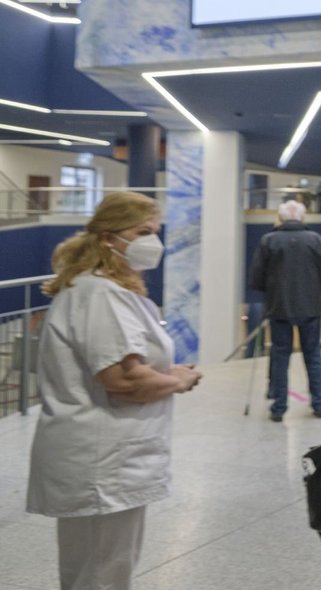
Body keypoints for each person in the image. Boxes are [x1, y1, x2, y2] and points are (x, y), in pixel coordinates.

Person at [26, 192, 203, 590]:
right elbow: (125, 381)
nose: (153, 242)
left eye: (155, 232)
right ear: (109, 238)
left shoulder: (100, 290)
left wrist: (165, 372)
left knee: (95, 568)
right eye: (142, 232)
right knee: (102, 573)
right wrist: (178, 380)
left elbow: (125, 365)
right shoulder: (100, 294)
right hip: (103, 458)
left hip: (106, 454)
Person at [249, 200, 321, 422]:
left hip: (279, 307)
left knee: (280, 355)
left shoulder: (269, 240)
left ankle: (279, 407)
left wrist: (271, 291)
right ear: (302, 217)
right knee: (313, 355)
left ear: (281, 217)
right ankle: (319, 404)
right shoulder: (316, 240)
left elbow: (256, 278)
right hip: (310, 307)